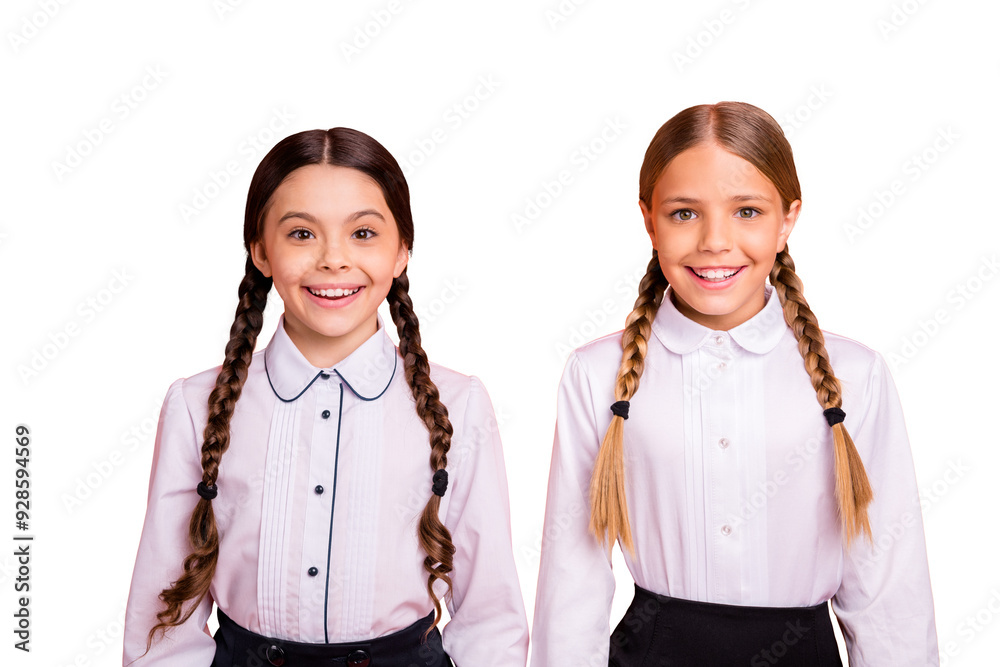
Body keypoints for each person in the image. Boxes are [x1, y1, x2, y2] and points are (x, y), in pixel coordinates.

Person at [530, 102, 938, 666]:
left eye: (747, 211)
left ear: (788, 219)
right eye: (683, 214)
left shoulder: (857, 377)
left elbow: (888, 587)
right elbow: (571, 580)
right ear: (649, 219)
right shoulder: (595, 374)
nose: (715, 242)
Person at [123, 127, 529, 667]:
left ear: (402, 251)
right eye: (301, 234)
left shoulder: (461, 404)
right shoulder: (194, 405)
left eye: (363, 233)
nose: (334, 260)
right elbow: (164, 619)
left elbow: (490, 616)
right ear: (260, 251)